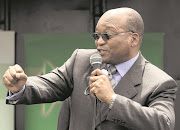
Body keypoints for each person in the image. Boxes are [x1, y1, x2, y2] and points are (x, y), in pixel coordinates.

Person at [3, 7, 178, 130]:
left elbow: (163, 123)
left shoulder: (159, 83)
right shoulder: (81, 60)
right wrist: (21, 87)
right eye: (96, 35)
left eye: (107, 36)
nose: (98, 42)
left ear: (133, 39)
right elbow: (50, 84)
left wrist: (112, 99)